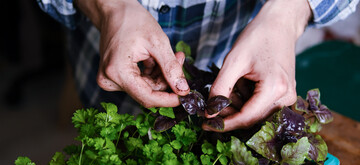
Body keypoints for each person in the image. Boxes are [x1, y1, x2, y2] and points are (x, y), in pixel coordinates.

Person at [36, 0, 358, 131]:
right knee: (82, 133)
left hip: (237, 58)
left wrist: (287, 15)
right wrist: (109, 8)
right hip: (103, 55)